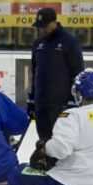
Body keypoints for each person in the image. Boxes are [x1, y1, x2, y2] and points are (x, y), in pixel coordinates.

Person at [28, 7, 84, 140]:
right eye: (39, 27)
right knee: (44, 140)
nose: (42, 30)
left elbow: (77, 72)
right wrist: (31, 99)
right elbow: (35, 72)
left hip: (61, 104)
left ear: (54, 23)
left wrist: (73, 100)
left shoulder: (69, 42)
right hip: (41, 103)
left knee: (60, 141)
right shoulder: (38, 43)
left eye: (45, 26)